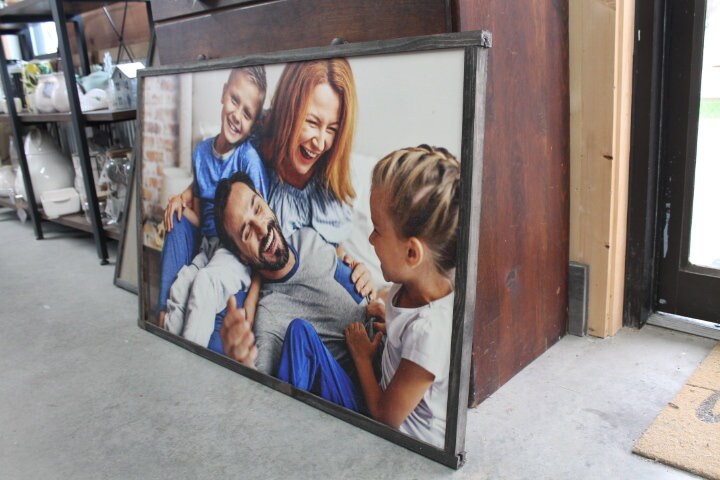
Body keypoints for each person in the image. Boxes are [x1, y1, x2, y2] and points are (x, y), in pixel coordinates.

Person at [278, 145, 460, 448]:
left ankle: (286, 433)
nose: (370, 238)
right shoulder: (407, 285)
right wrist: (388, 320)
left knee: (301, 337)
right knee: (302, 334)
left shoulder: (430, 333)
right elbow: (404, 329)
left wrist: (362, 357)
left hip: (395, 442)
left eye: (377, 229)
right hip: (383, 387)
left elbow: (385, 418)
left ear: (411, 253)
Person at [213, 171, 374, 382]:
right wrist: (241, 362)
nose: (261, 229)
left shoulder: (308, 237)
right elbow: (258, 386)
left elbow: (353, 278)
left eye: (258, 209)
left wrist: (367, 281)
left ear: (265, 201)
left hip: (387, 340)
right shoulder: (270, 317)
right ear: (242, 256)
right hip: (363, 386)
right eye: (247, 233)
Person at [157, 66, 269, 348]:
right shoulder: (201, 152)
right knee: (182, 284)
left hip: (235, 254)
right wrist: (179, 200)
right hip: (208, 247)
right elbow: (200, 210)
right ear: (223, 93)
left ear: (254, 123)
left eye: (247, 114)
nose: (237, 115)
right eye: (234, 100)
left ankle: (189, 357)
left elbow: (263, 227)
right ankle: (167, 347)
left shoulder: (248, 160)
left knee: (204, 284)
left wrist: (254, 294)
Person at [260, 59, 358, 254]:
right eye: (312, 122)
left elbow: (335, 252)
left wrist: (352, 266)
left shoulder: (330, 176)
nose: (320, 144)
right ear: (287, 109)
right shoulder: (250, 153)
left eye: (332, 129)